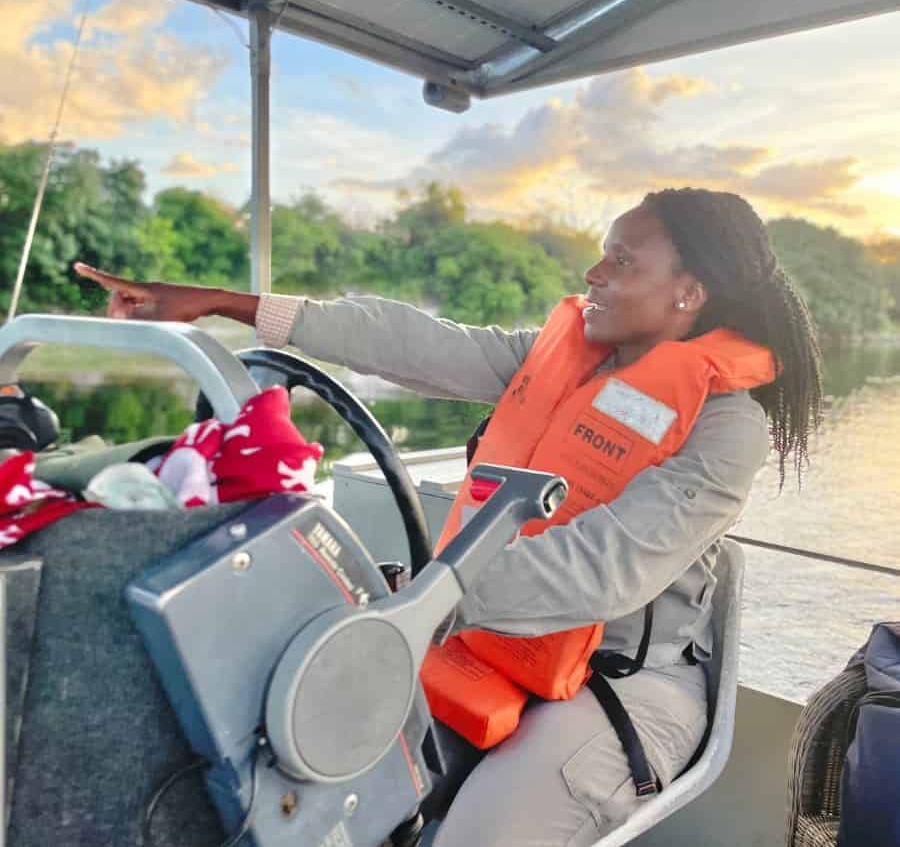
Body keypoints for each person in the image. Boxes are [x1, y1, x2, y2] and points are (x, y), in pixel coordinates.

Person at [75, 187, 823, 847]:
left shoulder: (728, 429)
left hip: (621, 685)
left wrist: (423, 595)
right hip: (478, 637)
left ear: (688, 293)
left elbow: (607, 567)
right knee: (288, 777)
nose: (593, 275)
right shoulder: (566, 358)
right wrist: (222, 303)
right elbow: (414, 342)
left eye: (621, 262)